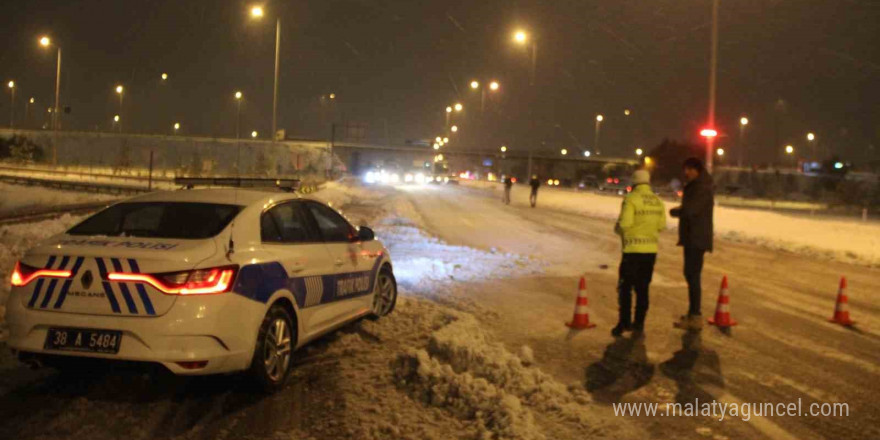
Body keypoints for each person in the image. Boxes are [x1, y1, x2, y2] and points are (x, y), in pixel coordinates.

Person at [612, 169, 666, 337]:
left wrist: (618, 228)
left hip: (632, 251)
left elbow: (625, 224)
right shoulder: (658, 201)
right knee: (643, 289)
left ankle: (624, 322)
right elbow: (661, 225)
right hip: (650, 252)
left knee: (625, 288)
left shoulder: (631, 199)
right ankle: (639, 324)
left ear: (634, 182)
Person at [669, 157, 714, 331]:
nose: (686, 173)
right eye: (685, 169)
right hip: (693, 237)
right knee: (690, 275)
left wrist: (678, 211)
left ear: (697, 170)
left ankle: (695, 316)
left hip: (697, 238)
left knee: (693, 276)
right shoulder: (697, 185)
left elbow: (692, 210)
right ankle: (692, 314)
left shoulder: (701, 187)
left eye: (689, 169)